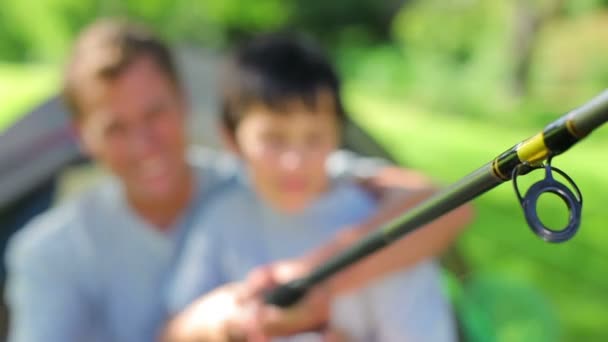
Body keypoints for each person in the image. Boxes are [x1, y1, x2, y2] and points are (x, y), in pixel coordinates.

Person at [4, 19, 472, 342]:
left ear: (185, 103)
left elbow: (435, 204)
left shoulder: (266, 179)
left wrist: (315, 275)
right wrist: (225, 322)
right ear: (81, 137)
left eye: (155, 114)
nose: (144, 143)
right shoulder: (47, 253)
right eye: (116, 128)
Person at [163, 33, 458, 342]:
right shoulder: (219, 220)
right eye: (274, 139)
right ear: (231, 137)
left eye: (314, 138)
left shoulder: (387, 234)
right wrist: (232, 322)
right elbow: (172, 331)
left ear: (337, 134)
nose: (295, 161)